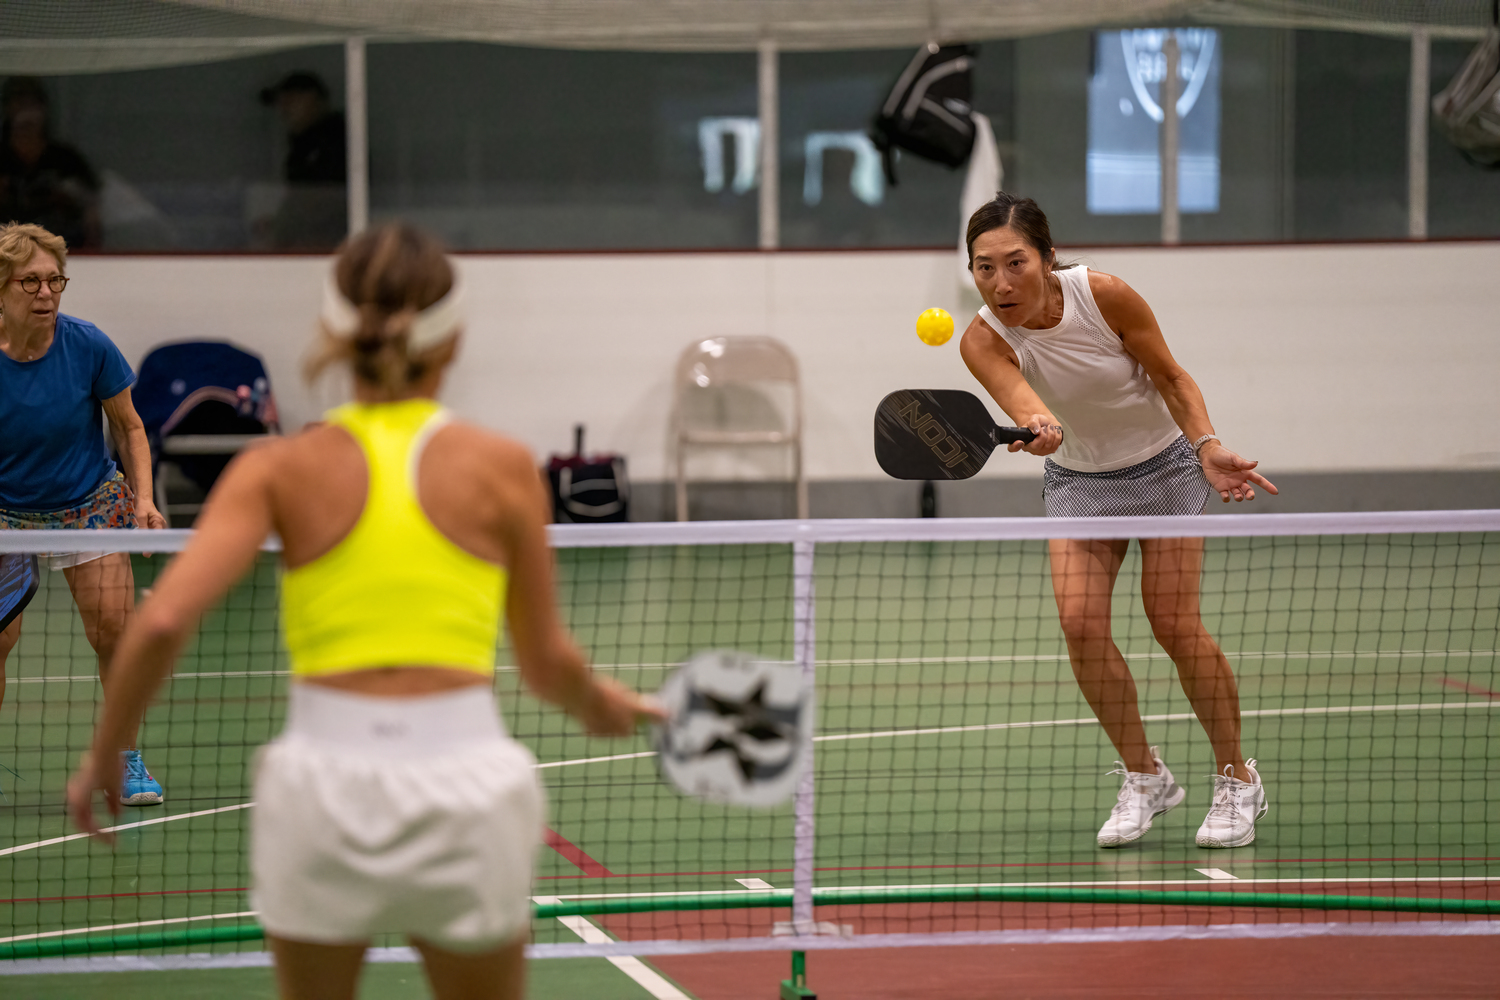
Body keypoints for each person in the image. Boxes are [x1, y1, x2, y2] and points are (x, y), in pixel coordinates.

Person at [66, 223, 661, 1000]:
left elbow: (164, 621)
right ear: (452, 342)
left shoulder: (278, 468)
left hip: (322, 786)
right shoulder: (503, 467)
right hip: (465, 782)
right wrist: (603, 702)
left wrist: (105, 752)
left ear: (333, 332)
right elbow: (547, 663)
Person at [958, 193, 1277, 850]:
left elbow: (1171, 376)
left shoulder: (1104, 297)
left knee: (1174, 625)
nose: (1001, 281)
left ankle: (1237, 777)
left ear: (1047, 258)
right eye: (983, 268)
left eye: (1015, 262)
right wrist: (1042, 429)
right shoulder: (983, 339)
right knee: (1079, 625)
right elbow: (1025, 402)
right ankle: (1146, 776)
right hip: (1079, 480)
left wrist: (1208, 446)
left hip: (1164, 467)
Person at [0, 221, 165, 804]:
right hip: (6, 517)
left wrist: (143, 500)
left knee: (116, 634)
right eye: (30, 283)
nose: (46, 294)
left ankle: (124, 758)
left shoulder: (88, 344)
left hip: (88, 505)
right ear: (1, 288)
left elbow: (130, 427)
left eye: (54, 281)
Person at [0, 78, 101, 250]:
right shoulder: (2, 158)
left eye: (32, 104)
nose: (26, 111)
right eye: (20, 103)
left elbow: (92, 207)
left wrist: (65, 196)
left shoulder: (65, 159)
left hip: (62, 249)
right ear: (8, 108)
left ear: (43, 109)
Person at [259, 71, 347, 250]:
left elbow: (323, 200)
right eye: (281, 103)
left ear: (313, 99)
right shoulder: (302, 145)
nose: (284, 110)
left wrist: (285, 226)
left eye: (291, 101)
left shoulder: (337, 141)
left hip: (326, 245)